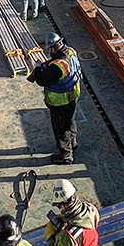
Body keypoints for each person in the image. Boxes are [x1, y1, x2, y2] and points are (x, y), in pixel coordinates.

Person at [28, 31, 81, 163]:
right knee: (70, 121)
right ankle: (73, 143)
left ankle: (66, 155)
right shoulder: (70, 51)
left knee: (61, 128)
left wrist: (39, 69)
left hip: (60, 100)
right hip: (73, 95)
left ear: (53, 48)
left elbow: (42, 80)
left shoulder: (57, 67)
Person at [44, 179, 100, 246]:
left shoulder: (66, 236)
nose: (60, 209)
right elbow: (83, 226)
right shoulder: (91, 210)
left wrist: (50, 237)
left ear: (65, 205)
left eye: (59, 206)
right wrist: (66, 218)